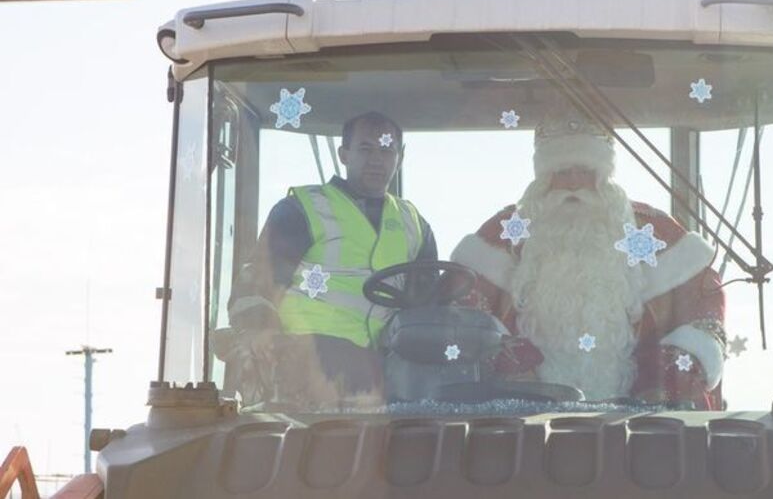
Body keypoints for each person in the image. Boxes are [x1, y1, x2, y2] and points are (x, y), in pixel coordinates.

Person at [451, 102, 726, 408]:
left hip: (639, 423)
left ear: (604, 174)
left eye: (585, 171)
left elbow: (702, 314)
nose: (573, 184)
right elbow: (462, 315)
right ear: (543, 176)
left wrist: (663, 378)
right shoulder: (505, 235)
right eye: (561, 172)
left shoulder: (654, 235)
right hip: (522, 422)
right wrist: (510, 364)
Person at [228, 111, 438, 406]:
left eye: (386, 150)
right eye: (365, 149)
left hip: (384, 380)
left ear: (400, 157)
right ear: (344, 154)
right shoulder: (302, 210)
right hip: (305, 372)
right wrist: (261, 333)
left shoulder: (414, 224)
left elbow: (429, 303)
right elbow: (256, 284)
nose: (376, 160)